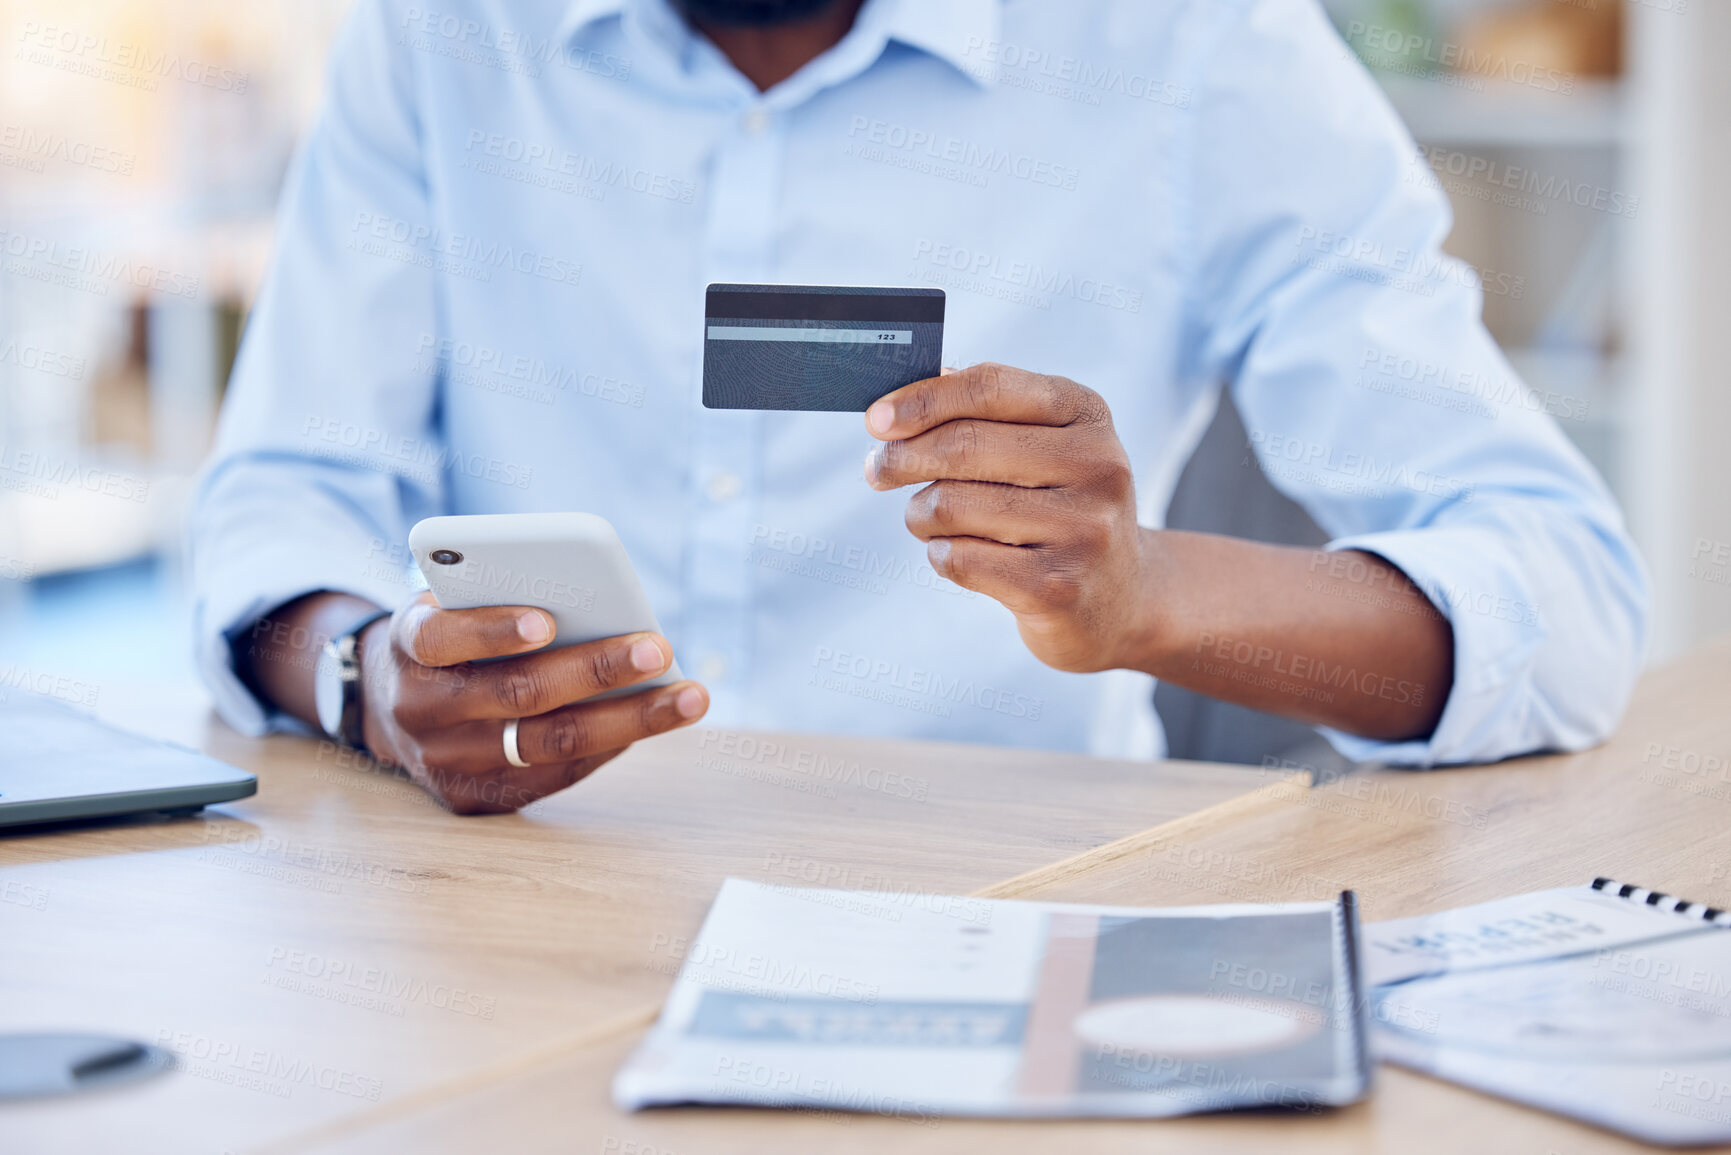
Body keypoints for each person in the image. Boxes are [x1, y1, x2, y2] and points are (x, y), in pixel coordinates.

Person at [190, 0, 1649, 814]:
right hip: (504, 905)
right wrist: (361, 677)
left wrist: (1151, 595)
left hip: (1003, 913)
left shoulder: (1200, 52)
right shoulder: (440, 38)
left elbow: (1563, 594)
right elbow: (282, 494)